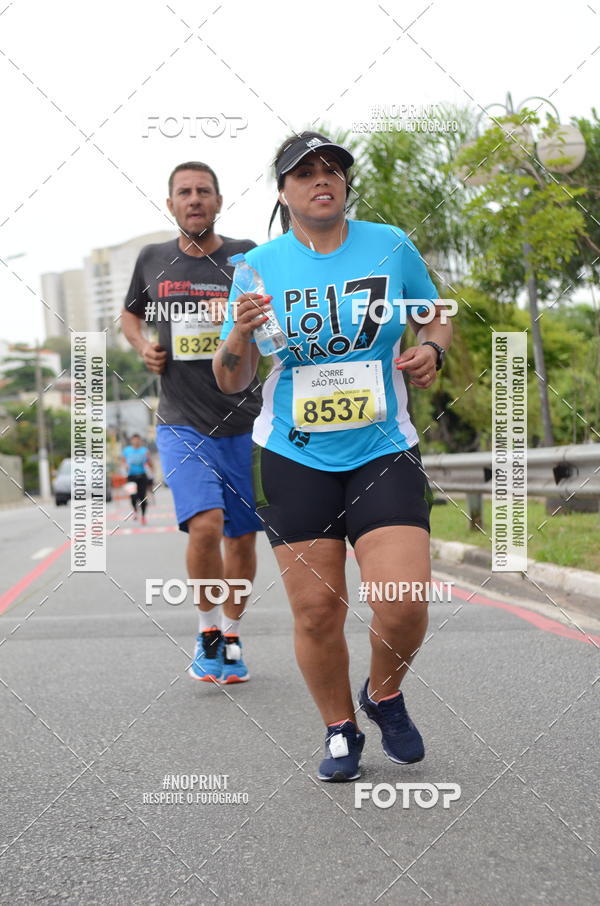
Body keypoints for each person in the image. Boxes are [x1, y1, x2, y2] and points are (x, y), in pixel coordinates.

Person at [214, 132, 452, 780]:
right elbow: (231, 378)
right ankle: (340, 729)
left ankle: (383, 693)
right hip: (293, 454)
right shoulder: (258, 266)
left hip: (382, 446)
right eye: (305, 173)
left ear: (345, 185)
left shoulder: (390, 245)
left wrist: (432, 349)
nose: (323, 180)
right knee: (318, 612)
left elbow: (434, 317)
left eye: (333, 171)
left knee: (402, 600)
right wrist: (238, 330)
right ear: (284, 191)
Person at [121, 161, 263, 684]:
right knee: (205, 526)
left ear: (219, 202)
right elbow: (131, 315)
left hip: (247, 421)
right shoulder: (152, 259)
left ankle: (231, 631)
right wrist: (144, 348)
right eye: (185, 192)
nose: (195, 199)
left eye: (204, 191)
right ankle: (207, 634)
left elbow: (273, 311)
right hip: (181, 421)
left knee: (242, 541)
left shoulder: (245, 256)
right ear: (171, 204)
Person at [121, 433, 152, 524]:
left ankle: (143, 516)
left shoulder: (144, 451)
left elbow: (149, 463)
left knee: (142, 497)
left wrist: (150, 463)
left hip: (142, 476)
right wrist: (125, 465)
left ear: (140, 440)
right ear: (131, 441)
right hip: (131, 476)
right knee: (133, 496)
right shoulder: (127, 450)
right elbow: (123, 460)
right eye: (134, 439)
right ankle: (135, 510)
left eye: (138, 439)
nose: (136, 441)